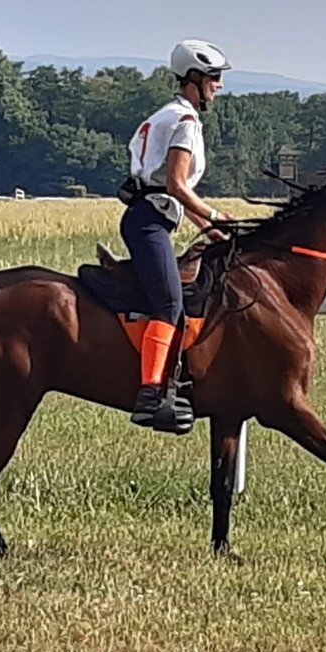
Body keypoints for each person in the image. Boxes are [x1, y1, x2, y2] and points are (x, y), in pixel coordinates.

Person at [120, 39, 232, 432]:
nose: (219, 85)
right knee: (169, 305)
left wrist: (210, 228)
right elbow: (176, 186)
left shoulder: (164, 115)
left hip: (150, 218)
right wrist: (217, 215)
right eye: (215, 77)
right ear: (196, 79)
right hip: (150, 222)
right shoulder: (185, 122)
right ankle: (152, 394)